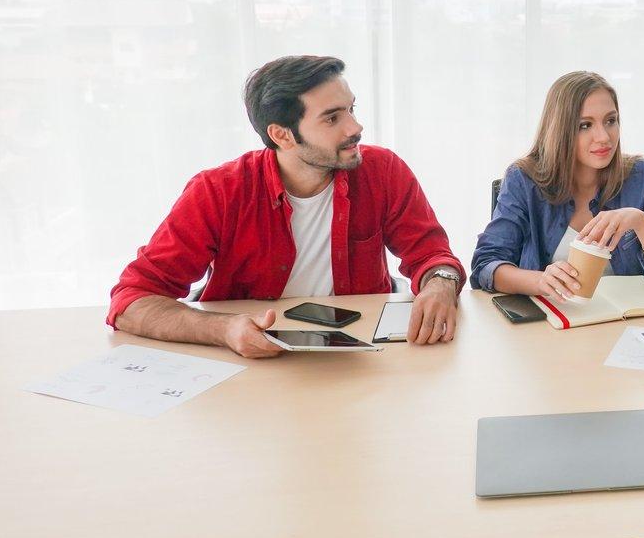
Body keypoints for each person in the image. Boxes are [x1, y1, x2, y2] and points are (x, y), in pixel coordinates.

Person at [471, 70, 644, 538]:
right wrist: (535, 279)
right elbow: (485, 266)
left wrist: (643, 226)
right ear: (559, 129)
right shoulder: (525, 179)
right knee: (554, 469)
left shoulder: (642, 179)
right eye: (586, 124)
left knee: (617, 468)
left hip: (624, 355)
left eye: (611, 121)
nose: (603, 137)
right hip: (547, 356)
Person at [108, 55, 464, 355]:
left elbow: (432, 255)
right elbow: (132, 300)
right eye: (332, 117)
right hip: (251, 367)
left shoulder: (382, 170)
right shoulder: (218, 191)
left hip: (359, 359)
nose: (355, 127)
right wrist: (224, 330)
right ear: (281, 135)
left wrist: (440, 284)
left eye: (351, 109)